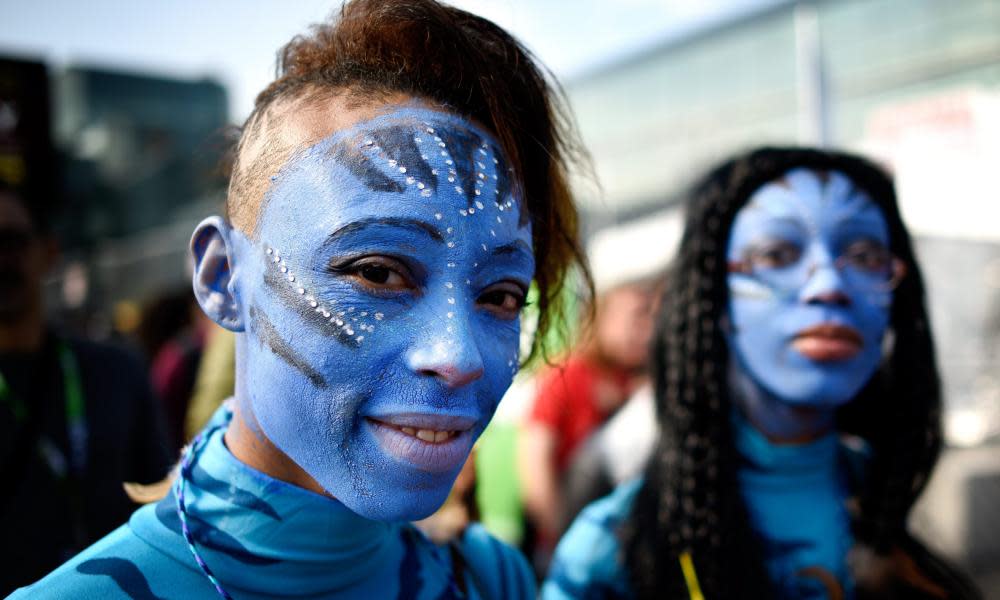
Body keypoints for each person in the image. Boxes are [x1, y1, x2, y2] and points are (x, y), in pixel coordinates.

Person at [14, 0, 587, 598]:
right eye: (378, 273)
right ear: (221, 278)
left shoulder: (491, 580)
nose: (457, 354)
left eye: (499, 295)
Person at [543, 147, 981, 599]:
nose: (829, 285)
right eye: (777, 254)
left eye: (867, 256)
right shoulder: (614, 546)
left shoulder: (884, 501)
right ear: (714, 302)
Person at [0, 184, 172, 595]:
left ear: (49, 251)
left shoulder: (116, 371)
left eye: (13, 241)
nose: (2, 260)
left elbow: (161, 503)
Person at [518, 273, 657, 564]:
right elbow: (534, 464)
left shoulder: (640, 384)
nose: (645, 331)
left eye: (650, 319)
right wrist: (562, 536)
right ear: (601, 315)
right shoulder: (566, 375)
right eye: (636, 317)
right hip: (568, 544)